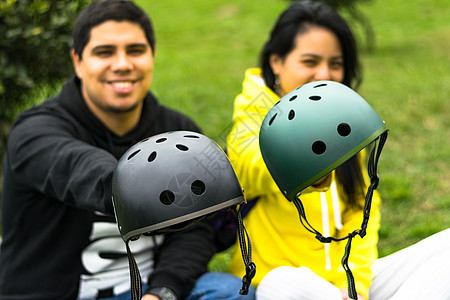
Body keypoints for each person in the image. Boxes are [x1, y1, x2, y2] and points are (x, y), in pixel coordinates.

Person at [0, 1, 252, 299]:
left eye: (135, 51)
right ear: (77, 61)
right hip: (56, 292)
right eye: (104, 52)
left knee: (233, 292)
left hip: (146, 289)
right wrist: (132, 184)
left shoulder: (176, 127)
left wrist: (162, 292)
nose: (122, 64)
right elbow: (78, 167)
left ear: (152, 56)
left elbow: (195, 231)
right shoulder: (35, 131)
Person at [224, 1, 450, 300]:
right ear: (276, 62)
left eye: (336, 63)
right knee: (280, 281)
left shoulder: (338, 115)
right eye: (310, 61)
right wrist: (312, 167)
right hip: (281, 287)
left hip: (341, 286)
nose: (325, 74)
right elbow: (251, 167)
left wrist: (355, 286)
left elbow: (362, 212)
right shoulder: (249, 118)